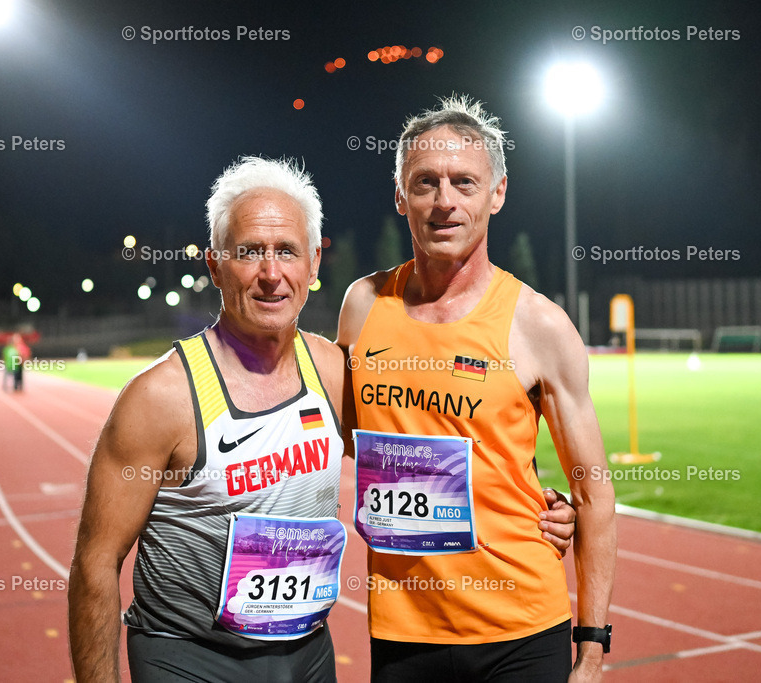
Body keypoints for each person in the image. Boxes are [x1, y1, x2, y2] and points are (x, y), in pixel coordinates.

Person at [68, 156, 576, 682]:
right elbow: (95, 564)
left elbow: (412, 457)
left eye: (287, 252)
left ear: (312, 265)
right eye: (250, 252)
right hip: (190, 658)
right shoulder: (159, 398)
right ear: (215, 266)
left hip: (307, 656)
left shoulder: (333, 372)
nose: (271, 275)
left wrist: (533, 502)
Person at [337, 96, 616, 682]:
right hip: (403, 632)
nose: (445, 201)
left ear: (497, 193)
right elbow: (348, 440)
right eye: (425, 182)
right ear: (400, 195)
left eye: (464, 182)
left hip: (521, 628)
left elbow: (593, 493)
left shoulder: (539, 325)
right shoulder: (363, 306)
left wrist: (591, 651)